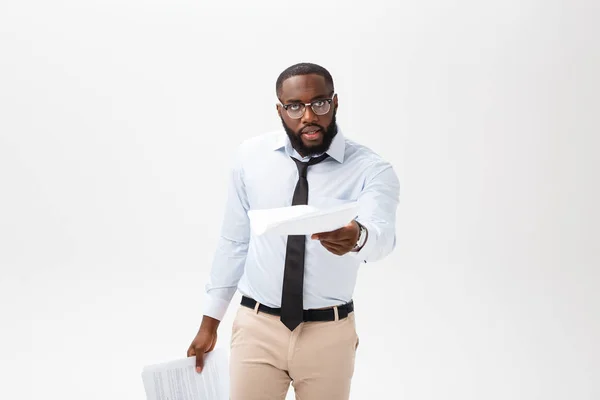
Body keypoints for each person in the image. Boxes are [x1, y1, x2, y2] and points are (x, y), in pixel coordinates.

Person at [187, 62, 400, 400]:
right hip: (257, 328)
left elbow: (383, 236)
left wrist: (357, 237)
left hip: (329, 335)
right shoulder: (250, 158)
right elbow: (234, 242)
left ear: (335, 103)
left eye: (319, 103)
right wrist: (209, 322)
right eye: (295, 107)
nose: (308, 117)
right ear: (280, 109)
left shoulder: (370, 169)